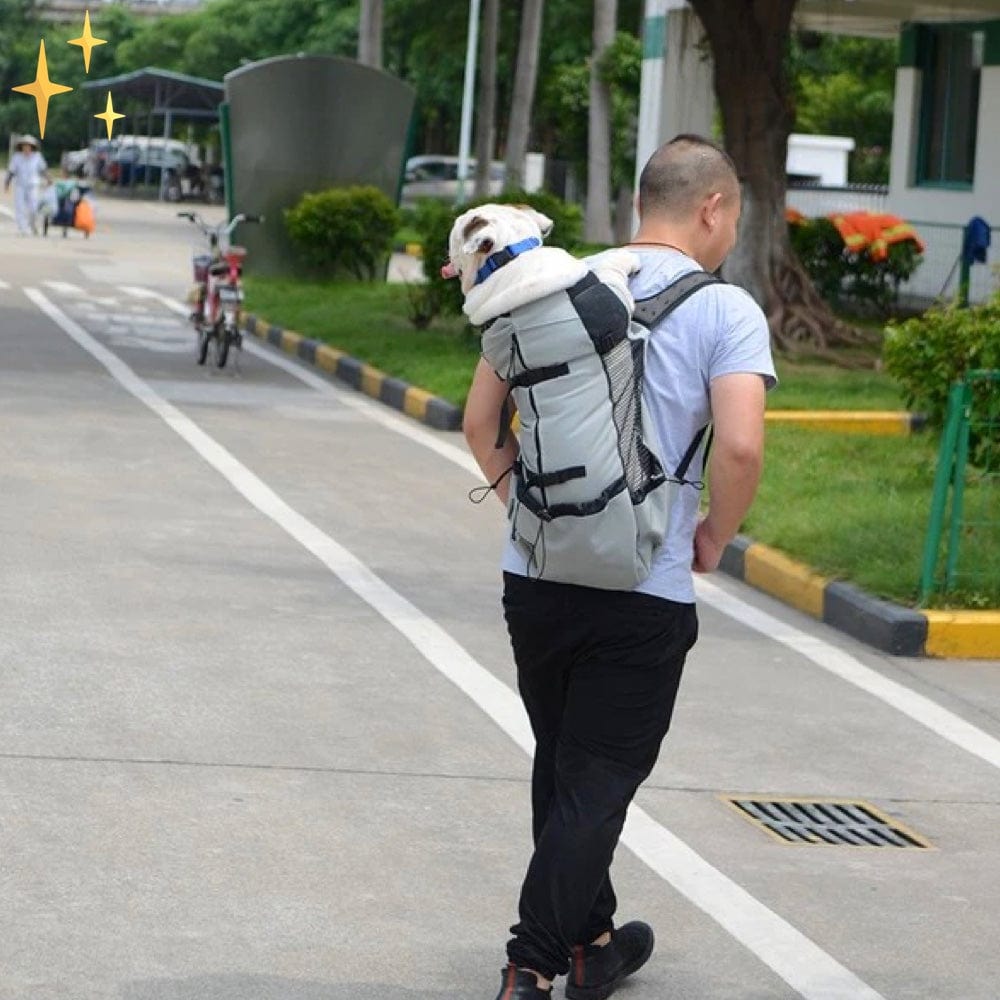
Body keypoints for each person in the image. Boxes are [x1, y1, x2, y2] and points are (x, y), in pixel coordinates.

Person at [462, 134, 777, 1000]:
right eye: (733, 217)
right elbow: (741, 446)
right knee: (596, 780)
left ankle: (592, 942)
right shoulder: (726, 310)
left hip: (535, 576)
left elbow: (480, 424)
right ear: (713, 207)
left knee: (565, 763)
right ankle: (530, 963)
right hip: (643, 587)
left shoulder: (554, 282)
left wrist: (521, 504)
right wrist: (713, 531)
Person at [4, 135, 49, 236]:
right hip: (20, 185)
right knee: (19, 207)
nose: (26, 148)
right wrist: (7, 183)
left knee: (33, 208)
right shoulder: (17, 157)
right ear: (21, 147)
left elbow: (43, 170)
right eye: (24, 146)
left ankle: (32, 225)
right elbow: (11, 171)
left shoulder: (37, 157)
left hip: (33, 185)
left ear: (32, 147)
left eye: (28, 146)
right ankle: (23, 229)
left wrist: (49, 179)